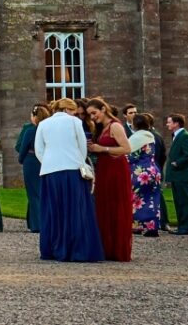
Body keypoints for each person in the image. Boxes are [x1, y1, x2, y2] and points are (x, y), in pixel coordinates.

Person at [34, 99, 102, 262]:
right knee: (75, 210)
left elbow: (39, 150)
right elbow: (82, 147)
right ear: (66, 109)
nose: (76, 113)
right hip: (72, 169)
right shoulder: (75, 122)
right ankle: (77, 249)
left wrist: (50, 162)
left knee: (54, 210)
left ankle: (53, 248)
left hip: (50, 171)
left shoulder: (44, 124)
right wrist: (76, 160)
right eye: (73, 110)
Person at [82, 98, 134, 261]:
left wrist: (102, 148)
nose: (92, 117)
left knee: (116, 206)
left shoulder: (115, 126)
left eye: (94, 113)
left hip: (116, 168)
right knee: (103, 206)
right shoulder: (101, 128)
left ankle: (117, 248)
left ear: (103, 109)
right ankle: (105, 246)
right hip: (104, 168)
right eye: (90, 115)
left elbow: (127, 149)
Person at [128, 112, 163, 238]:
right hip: (153, 170)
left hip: (140, 172)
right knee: (153, 199)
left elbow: (132, 156)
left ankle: (137, 225)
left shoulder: (137, 138)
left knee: (137, 199)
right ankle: (152, 226)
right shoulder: (151, 136)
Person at [162, 113, 188, 235]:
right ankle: (182, 226)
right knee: (179, 201)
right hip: (178, 175)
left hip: (183, 175)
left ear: (176, 123)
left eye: (169, 122)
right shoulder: (177, 135)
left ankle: (186, 227)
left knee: (184, 202)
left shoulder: (184, 136)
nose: (167, 124)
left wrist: (177, 163)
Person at [15, 105, 48, 232]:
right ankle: (41, 222)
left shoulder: (30, 131)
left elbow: (22, 149)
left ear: (35, 117)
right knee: (43, 192)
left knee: (33, 194)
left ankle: (37, 225)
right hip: (46, 162)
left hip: (31, 161)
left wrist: (21, 159)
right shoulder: (48, 130)